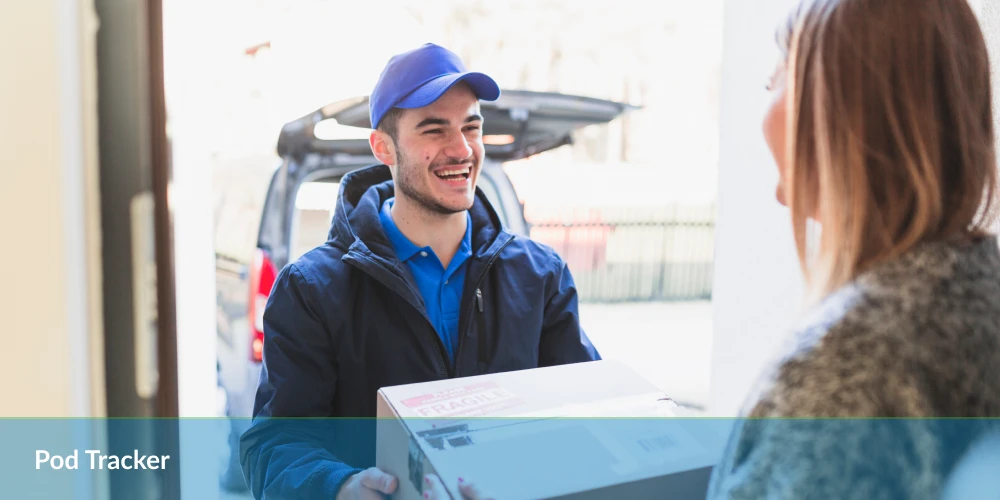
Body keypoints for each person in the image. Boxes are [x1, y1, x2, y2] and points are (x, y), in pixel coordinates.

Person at [426, 0, 1000, 498]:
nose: (460, 149)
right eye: (433, 130)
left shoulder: (850, 367)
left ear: (842, 111)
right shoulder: (975, 291)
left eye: (777, 76)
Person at [239, 43, 600, 500]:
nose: (461, 148)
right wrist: (339, 486)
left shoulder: (539, 276)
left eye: (472, 126)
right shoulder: (312, 290)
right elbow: (273, 446)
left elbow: (588, 411)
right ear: (383, 147)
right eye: (434, 130)